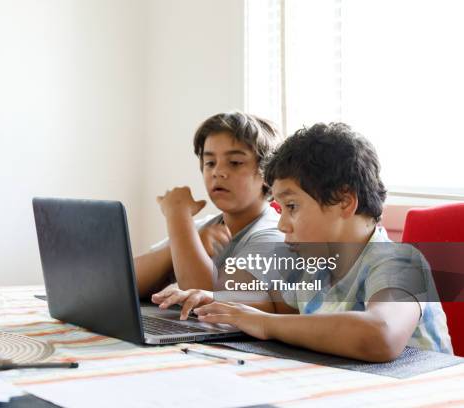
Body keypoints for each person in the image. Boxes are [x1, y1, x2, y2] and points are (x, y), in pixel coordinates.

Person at [165, 122, 453, 362]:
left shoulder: (401, 262)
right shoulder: (315, 265)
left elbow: (381, 334)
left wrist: (264, 325)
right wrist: (221, 302)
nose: (281, 224)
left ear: (344, 201)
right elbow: (280, 309)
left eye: (291, 206)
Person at [134, 112, 283, 304]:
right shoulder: (204, 228)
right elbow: (127, 282)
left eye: (235, 163)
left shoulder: (273, 236)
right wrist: (190, 242)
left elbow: (207, 296)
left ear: (266, 172)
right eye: (210, 163)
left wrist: (177, 214)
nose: (218, 172)